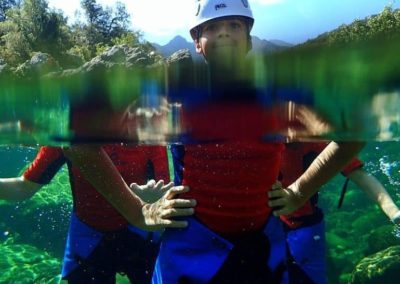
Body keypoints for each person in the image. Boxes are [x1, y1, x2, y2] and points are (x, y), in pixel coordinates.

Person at [151, 1, 364, 283]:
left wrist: (299, 191)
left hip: (261, 245)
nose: (224, 33)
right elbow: (85, 147)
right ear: (197, 43)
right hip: (188, 246)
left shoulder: (277, 96)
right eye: (213, 27)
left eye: (234, 26)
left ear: (249, 40)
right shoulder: (177, 98)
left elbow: (352, 135)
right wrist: (142, 211)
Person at [0, 144, 188, 283]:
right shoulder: (66, 135)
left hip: (138, 232)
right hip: (88, 238)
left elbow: (164, 194)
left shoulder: (148, 137)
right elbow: (23, 188)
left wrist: (150, 201)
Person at [269, 142, 400, 284]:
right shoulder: (261, 138)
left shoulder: (316, 142)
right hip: (264, 225)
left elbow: (360, 175)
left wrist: (393, 212)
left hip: (304, 226)